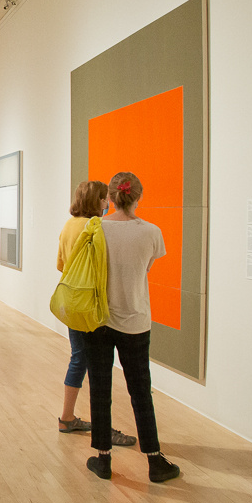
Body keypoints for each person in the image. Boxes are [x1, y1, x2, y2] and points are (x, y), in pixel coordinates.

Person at [85, 172, 180, 483]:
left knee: (100, 390)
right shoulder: (152, 232)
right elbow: (145, 268)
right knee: (141, 391)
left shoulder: (96, 228)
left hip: (99, 320)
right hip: (136, 322)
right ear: (139, 197)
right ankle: (154, 460)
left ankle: (103, 458)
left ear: (109, 198)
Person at [55, 181, 135, 446]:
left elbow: (61, 265)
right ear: (96, 201)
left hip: (72, 301)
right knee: (97, 368)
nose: (107, 204)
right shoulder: (94, 227)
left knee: (79, 358)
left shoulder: (68, 225)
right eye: (103, 199)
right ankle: (102, 427)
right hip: (91, 305)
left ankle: (67, 417)